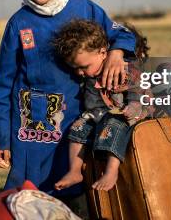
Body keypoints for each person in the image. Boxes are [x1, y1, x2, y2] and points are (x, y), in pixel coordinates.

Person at [0, 0, 137, 195]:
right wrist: (1, 137)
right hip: (31, 127)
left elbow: (122, 34)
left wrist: (116, 52)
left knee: (76, 188)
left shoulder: (85, 8)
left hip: (77, 116)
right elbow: (1, 85)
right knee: (29, 192)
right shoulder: (18, 24)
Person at [52, 19, 152, 191]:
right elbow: (92, 101)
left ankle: (111, 171)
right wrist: (91, 115)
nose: (79, 72)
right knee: (78, 126)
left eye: (83, 67)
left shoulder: (125, 67)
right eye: (75, 68)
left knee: (113, 125)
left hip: (133, 112)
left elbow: (139, 87)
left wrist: (134, 105)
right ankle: (75, 171)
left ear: (103, 52)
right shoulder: (92, 74)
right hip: (103, 113)